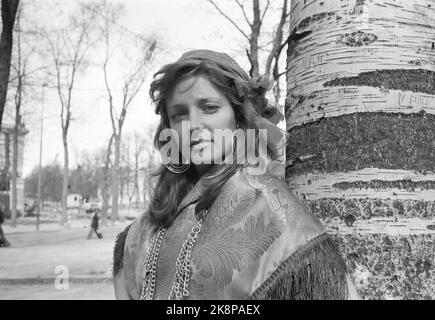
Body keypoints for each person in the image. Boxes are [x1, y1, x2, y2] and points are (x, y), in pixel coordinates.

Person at [112, 49, 358, 300]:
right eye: (179, 114)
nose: (193, 125)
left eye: (209, 107)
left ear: (239, 117)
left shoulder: (272, 208)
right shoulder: (139, 234)